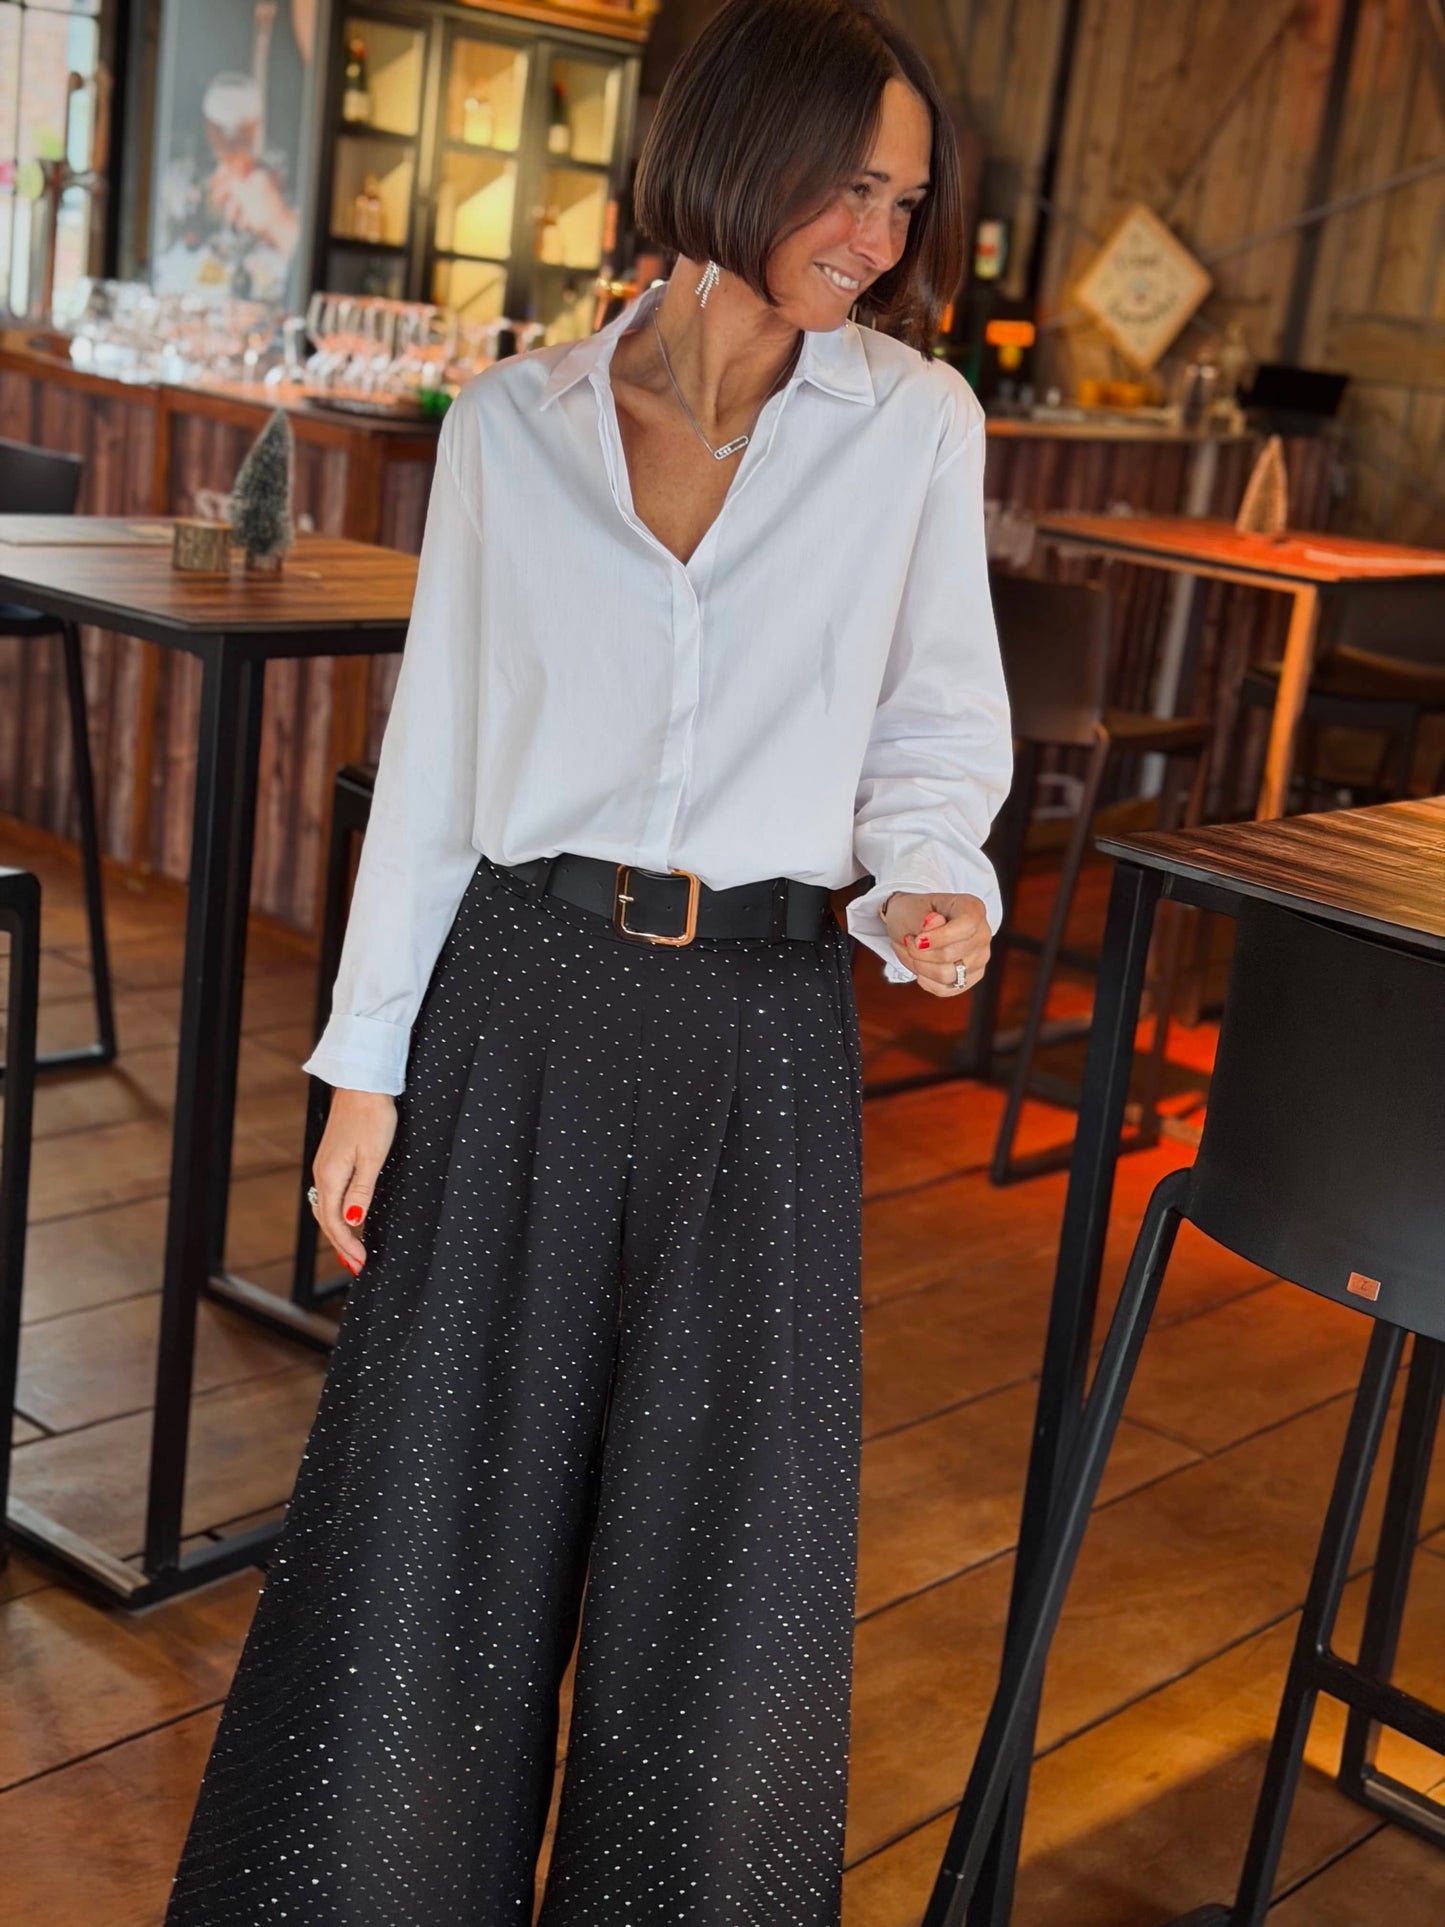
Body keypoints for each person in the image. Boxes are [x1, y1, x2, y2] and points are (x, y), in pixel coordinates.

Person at [165, 1, 1011, 1920]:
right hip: (518, 1000)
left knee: (724, 1570)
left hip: (760, 1032)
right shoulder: (513, 427)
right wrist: (363, 1067)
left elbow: (934, 726)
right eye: (844, 185)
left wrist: (925, 879)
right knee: (428, 1534)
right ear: (730, 152)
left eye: (902, 199)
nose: (875, 234)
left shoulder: (913, 423)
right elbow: (439, 764)